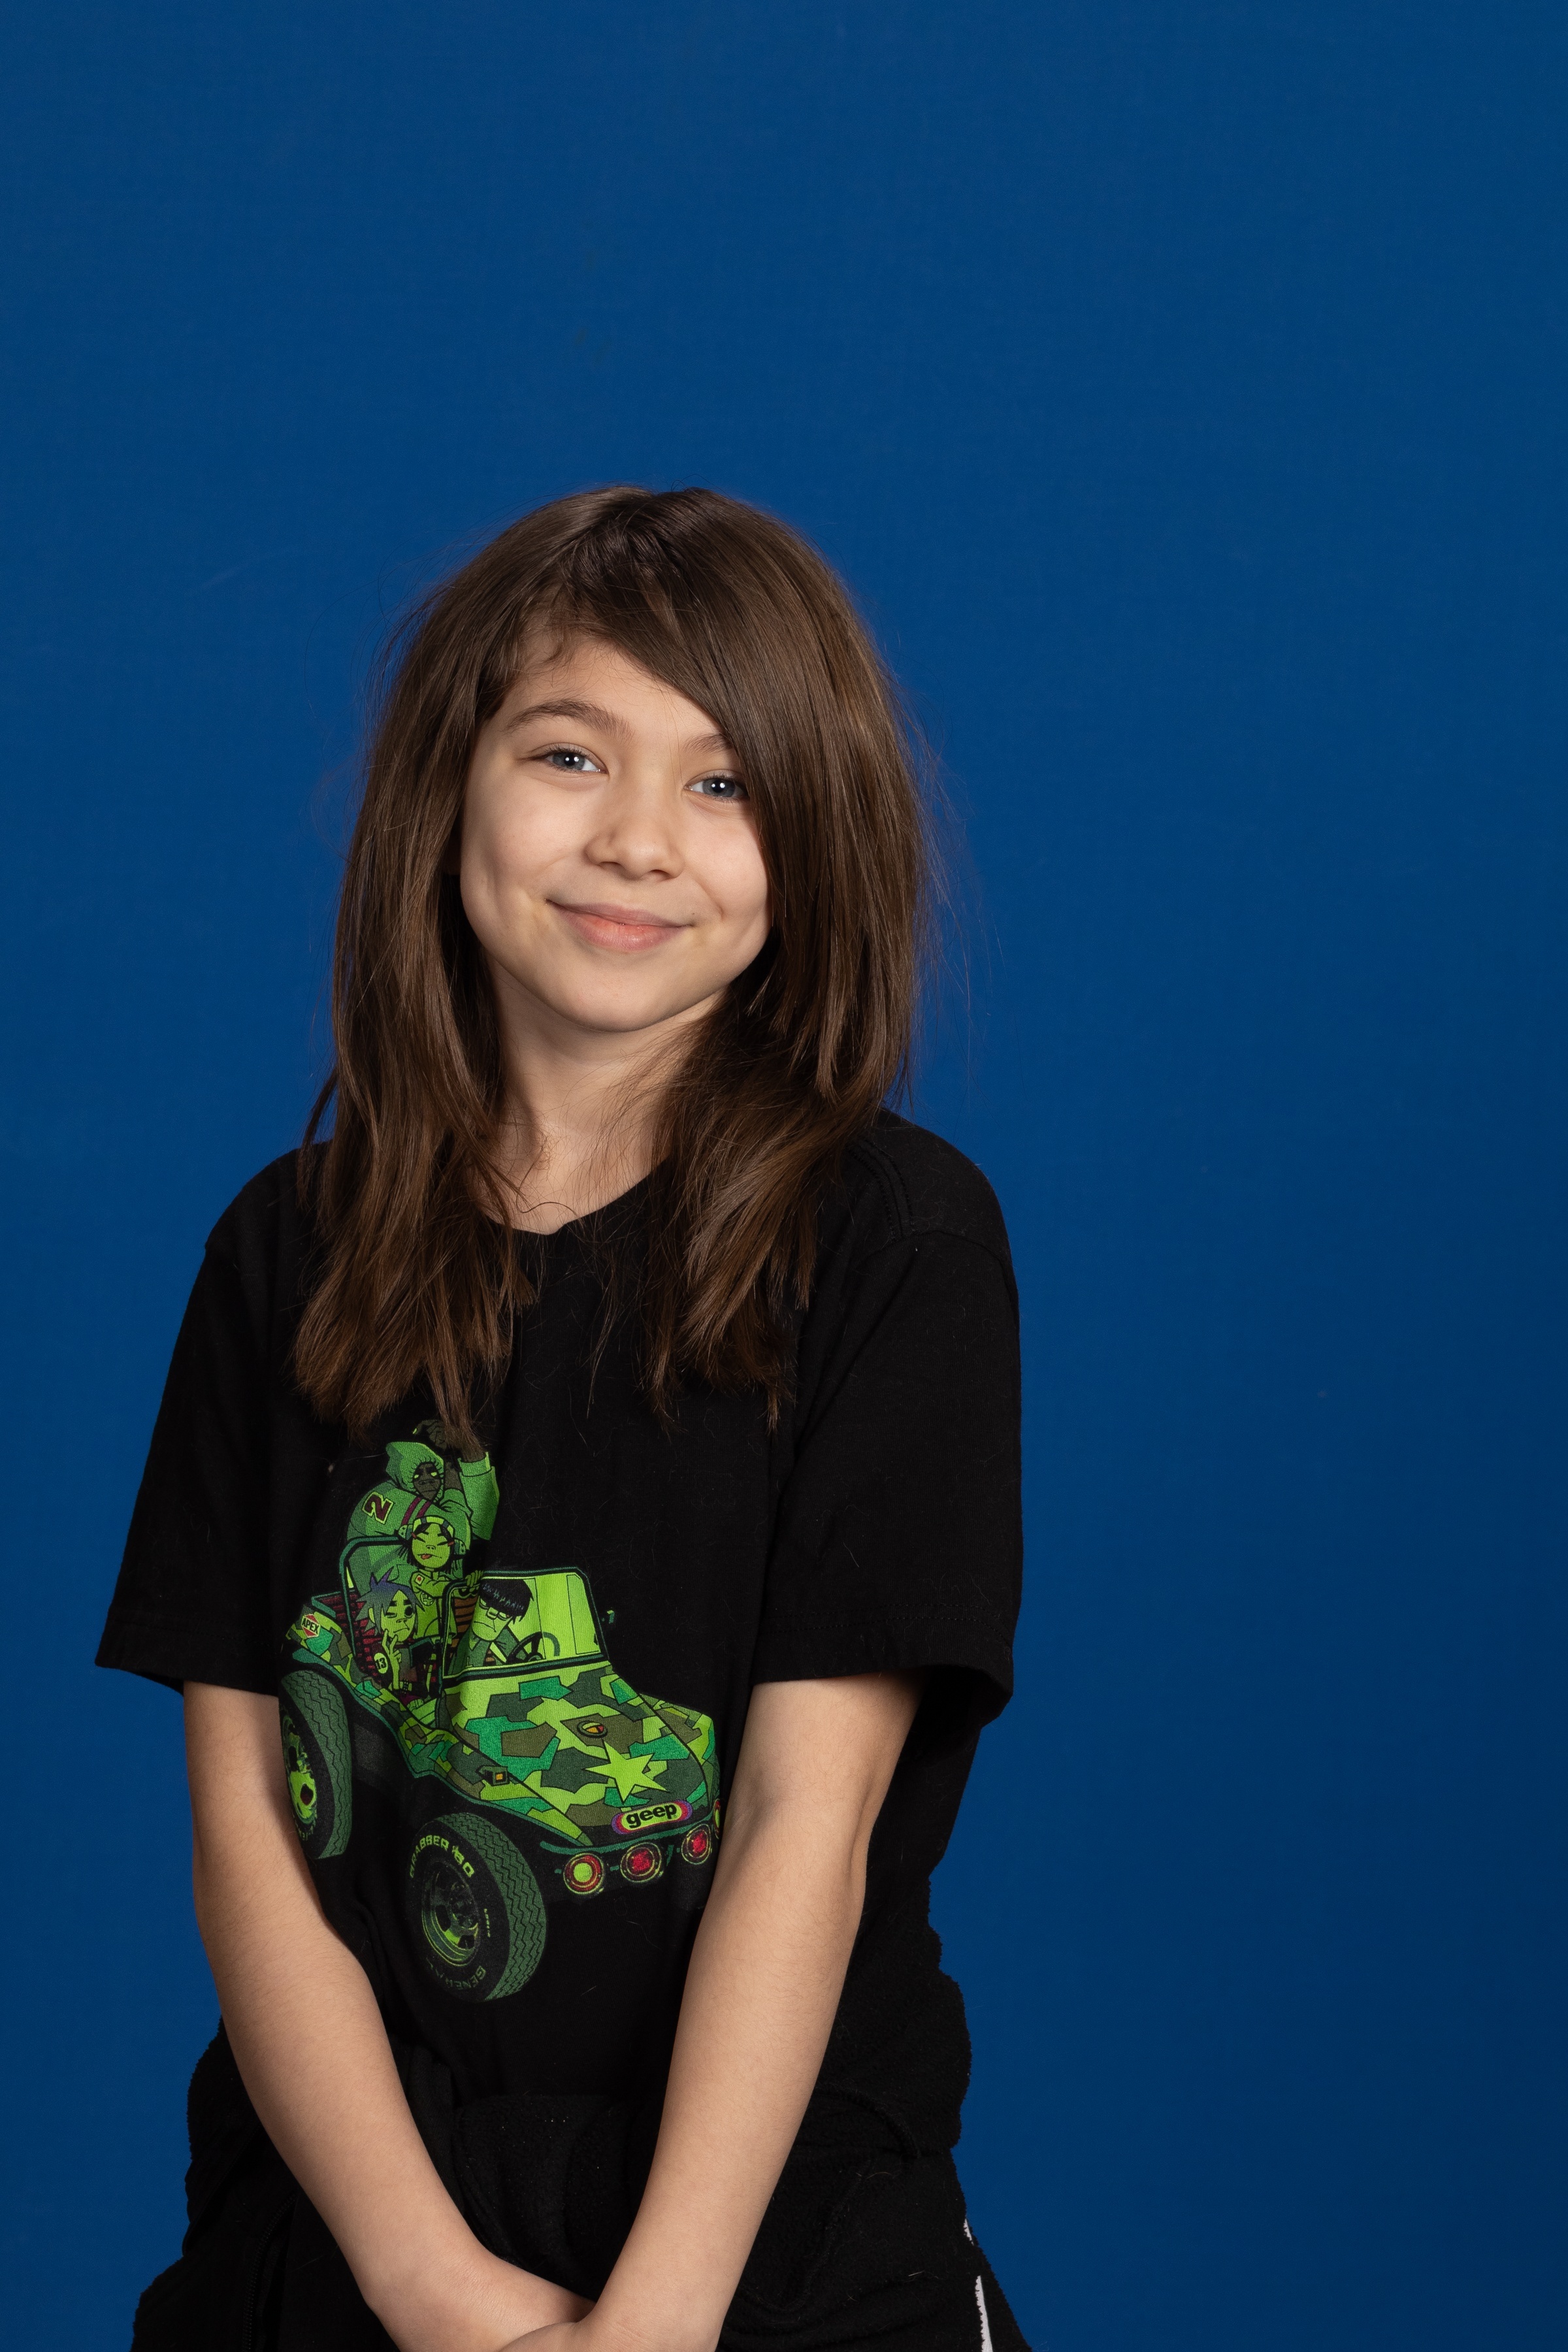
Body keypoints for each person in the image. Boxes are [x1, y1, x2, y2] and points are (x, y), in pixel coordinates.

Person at [97, 485, 1028, 2352]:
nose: (636, 840)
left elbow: (805, 1822)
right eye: (570, 753)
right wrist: (432, 2287)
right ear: (451, 786)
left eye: (722, 781)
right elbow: (250, 1823)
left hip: (768, 2247)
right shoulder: (286, 1256)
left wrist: (650, 2327)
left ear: (815, 836)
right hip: (346, 2234)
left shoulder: (894, 1247)